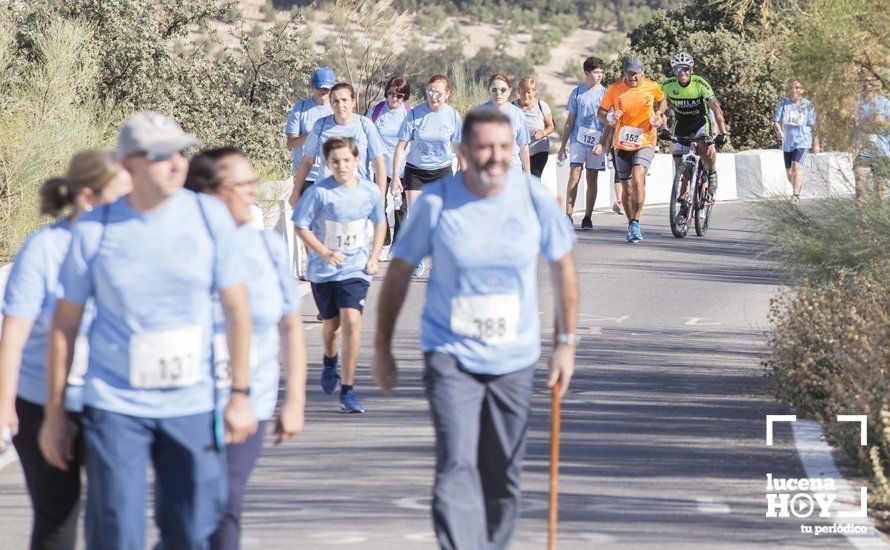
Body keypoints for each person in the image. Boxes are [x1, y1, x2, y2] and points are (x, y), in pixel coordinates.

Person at [38, 112, 258, 549]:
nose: (177, 163)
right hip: (116, 405)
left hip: (190, 403)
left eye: (181, 152)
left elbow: (237, 310)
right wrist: (55, 414)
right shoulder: (95, 230)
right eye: (161, 156)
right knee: (118, 529)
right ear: (130, 165)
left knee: (194, 527)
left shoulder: (208, 217)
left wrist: (239, 394)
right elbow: (64, 327)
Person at [373, 108, 579, 549]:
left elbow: (564, 267)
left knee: (502, 469)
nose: (495, 157)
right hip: (450, 355)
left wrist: (566, 343)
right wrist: (383, 347)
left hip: (514, 357)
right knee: (456, 463)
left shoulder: (533, 197)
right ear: (463, 152)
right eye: (485, 147)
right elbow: (397, 275)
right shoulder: (436, 202)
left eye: (504, 147)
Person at [0, 149, 131, 550]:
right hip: (41, 400)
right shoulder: (44, 249)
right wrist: (5, 406)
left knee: (116, 512)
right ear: (89, 197)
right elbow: (15, 332)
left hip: (111, 399)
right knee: (58, 514)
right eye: (122, 194)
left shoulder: (128, 245)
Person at [184, 148, 308, 550]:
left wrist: (295, 402)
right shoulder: (180, 248)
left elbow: (290, 326)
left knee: (227, 502)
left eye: (253, 183)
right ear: (206, 192)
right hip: (186, 402)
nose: (252, 194)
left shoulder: (266, 248)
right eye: (242, 186)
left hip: (250, 401)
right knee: (190, 512)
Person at [293, 137, 386, 413]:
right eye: (335, 161)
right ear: (327, 164)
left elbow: (379, 223)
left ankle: (348, 391)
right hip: (324, 272)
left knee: (352, 322)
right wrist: (323, 252)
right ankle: (330, 360)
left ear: (357, 161)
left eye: (347, 160)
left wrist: (373, 258)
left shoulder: (368, 192)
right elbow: (300, 226)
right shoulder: (319, 193)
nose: (342, 166)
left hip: (355, 269)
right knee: (332, 328)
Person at [390, 75, 462, 277]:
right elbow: (401, 148)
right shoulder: (414, 114)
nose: (433, 97)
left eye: (438, 93)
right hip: (416, 171)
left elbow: (459, 147)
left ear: (447, 94)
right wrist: (396, 176)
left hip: (442, 171)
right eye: (429, 92)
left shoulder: (453, 116)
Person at [598, 56, 667, 243]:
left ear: (642, 72)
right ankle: (631, 225)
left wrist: (659, 115)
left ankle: (636, 221)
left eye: (636, 74)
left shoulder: (652, 86)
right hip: (621, 144)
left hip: (645, 140)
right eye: (629, 74)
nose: (632, 78)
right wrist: (610, 118)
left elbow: (663, 100)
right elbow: (601, 113)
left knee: (638, 178)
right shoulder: (614, 89)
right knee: (627, 189)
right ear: (624, 73)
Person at [289, 82, 387, 207]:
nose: (340, 105)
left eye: (344, 100)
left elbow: (379, 164)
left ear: (353, 101)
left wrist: (381, 197)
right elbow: (307, 160)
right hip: (327, 196)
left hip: (358, 197)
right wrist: (296, 192)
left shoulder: (365, 125)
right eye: (335, 101)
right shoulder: (321, 126)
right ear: (330, 104)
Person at [661, 52, 728, 218]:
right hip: (681, 125)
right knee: (680, 169)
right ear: (673, 70)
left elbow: (716, 109)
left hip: (700, 124)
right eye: (677, 69)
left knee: (705, 148)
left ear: (691, 69)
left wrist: (723, 132)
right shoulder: (668, 85)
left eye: (685, 68)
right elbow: (661, 109)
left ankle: (711, 173)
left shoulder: (700, 83)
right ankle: (683, 206)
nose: (681, 72)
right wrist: (664, 128)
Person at [558, 56, 609, 229]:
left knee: (592, 177)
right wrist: (562, 145)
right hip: (578, 139)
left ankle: (587, 217)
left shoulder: (605, 93)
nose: (600, 75)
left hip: (597, 140)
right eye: (596, 72)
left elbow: (610, 122)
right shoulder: (577, 93)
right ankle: (568, 214)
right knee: (574, 174)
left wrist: (604, 143)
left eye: (601, 72)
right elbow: (570, 120)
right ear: (587, 73)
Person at [366, 76, 412, 257]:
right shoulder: (376, 112)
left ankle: (398, 243)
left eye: (400, 96)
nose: (394, 99)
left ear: (405, 97)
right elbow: (366, 136)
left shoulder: (409, 113)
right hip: (381, 167)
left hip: (402, 167)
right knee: (380, 204)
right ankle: (384, 242)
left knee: (401, 207)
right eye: (391, 94)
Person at [285, 67, 335, 195]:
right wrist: (312, 135)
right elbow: (290, 143)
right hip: (304, 177)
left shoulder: (336, 109)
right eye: (320, 87)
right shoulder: (300, 108)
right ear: (311, 86)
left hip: (328, 176)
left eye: (327, 88)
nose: (323, 91)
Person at [773, 79, 820, 201]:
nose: (794, 90)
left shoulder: (807, 105)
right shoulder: (784, 104)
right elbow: (776, 121)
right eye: (792, 88)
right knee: (789, 171)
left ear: (803, 90)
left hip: (803, 140)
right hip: (788, 142)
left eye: (797, 87)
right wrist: (779, 131)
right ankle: (797, 186)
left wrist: (816, 143)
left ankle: (795, 195)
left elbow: (814, 125)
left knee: (796, 166)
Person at [476, 74, 531, 174]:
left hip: (513, 172)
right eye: (494, 90)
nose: (498, 93)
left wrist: (528, 173)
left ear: (509, 91)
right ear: (488, 91)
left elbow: (523, 146)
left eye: (503, 90)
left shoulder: (518, 114)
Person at [853, 74, 889, 201]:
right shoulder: (857, 103)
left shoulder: (885, 103)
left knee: (880, 189)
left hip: (881, 150)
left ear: (877, 84)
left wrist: (882, 122)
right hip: (864, 149)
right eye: (865, 81)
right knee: (860, 185)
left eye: (870, 82)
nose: (867, 84)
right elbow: (854, 125)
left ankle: (879, 219)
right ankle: (862, 221)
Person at [513, 76, 555, 178]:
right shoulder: (513, 107)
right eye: (523, 92)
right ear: (519, 92)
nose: (526, 95)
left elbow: (551, 126)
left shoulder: (542, 105)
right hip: (520, 152)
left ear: (534, 92)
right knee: (521, 182)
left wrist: (543, 133)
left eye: (528, 92)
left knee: (535, 179)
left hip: (539, 150)